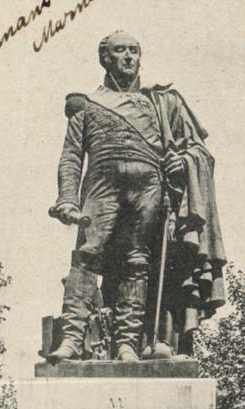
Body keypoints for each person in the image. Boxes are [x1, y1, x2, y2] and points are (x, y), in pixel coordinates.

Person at [49, 30, 226, 362]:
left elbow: (189, 148)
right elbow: (71, 156)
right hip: (102, 185)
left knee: (137, 261)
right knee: (88, 254)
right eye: (120, 51)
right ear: (106, 58)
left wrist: (179, 163)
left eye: (134, 50)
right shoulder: (84, 105)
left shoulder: (158, 104)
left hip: (149, 187)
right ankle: (72, 338)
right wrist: (67, 199)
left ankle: (127, 343)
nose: (129, 56)